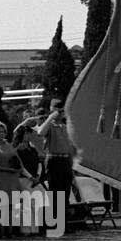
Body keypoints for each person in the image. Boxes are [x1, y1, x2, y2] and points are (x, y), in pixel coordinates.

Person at [36, 99, 75, 232]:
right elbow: (40, 132)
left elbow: (70, 147)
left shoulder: (65, 127)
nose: (60, 113)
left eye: (61, 110)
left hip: (65, 161)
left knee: (65, 193)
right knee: (55, 193)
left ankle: (64, 223)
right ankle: (54, 223)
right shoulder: (50, 126)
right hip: (53, 160)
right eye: (57, 110)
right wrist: (50, 118)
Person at [0, 119, 25, 237]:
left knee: (13, 204)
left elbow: (17, 160)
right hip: (0, 178)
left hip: (12, 178)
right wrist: (9, 170)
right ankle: (0, 231)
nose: (2, 134)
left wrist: (18, 168)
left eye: (3, 131)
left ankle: (12, 230)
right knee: (1, 205)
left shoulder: (9, 146)